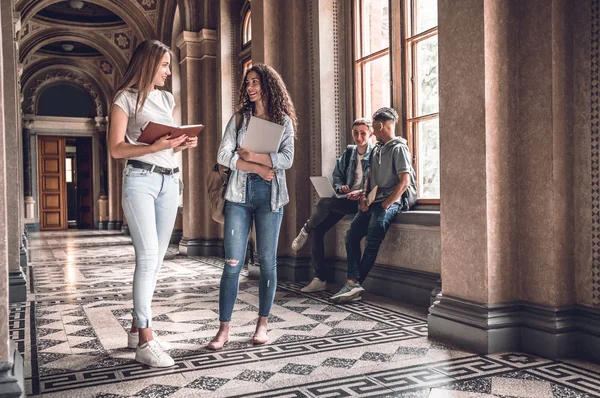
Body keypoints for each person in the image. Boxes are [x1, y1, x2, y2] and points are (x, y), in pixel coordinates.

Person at [108, 40, 197, 367]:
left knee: (157, 260)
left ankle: (135, 326)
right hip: (140, 181)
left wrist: (179, 144)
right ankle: (145, 339)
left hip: (170, 181)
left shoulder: (167, 98)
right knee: (146, 257)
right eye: (164, 65)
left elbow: (163, 146)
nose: (168, 72)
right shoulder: (124, 99)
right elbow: (117, 149)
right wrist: (157, 145)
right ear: (148, 65)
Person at [208, 64, 297, 350]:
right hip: (238, 197)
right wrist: (253, 166)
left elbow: (287, 159)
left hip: (271, 198)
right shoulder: (239, 119)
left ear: (269, 85)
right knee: (232, 264)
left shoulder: (283, 121)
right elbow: (224, 154)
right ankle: (223, 330)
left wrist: (253, 154)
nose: (250, 87)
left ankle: (262, 324)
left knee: (267, 263)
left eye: (256, 82)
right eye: (247, 83)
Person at [330, 107, 417, 304]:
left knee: (373, 235)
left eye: (372, 128)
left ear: (379, 126)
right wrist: (363, 197)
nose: (370, 133)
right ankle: (353, 283)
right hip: (372, 200)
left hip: (390, 202)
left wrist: (386, 205)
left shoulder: (399, 148)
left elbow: (404, 183)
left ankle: (352, 282)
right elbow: (369, 177)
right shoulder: (377, 148)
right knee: (351, 236)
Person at [292, 119, 374, 293]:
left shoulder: (376, 154)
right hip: (346, 199)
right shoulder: (349, 153)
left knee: (325, 204)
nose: (358, 137)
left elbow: (377, 183)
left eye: (363, 133)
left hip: (363, 202)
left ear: (371, 134)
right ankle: (320, 278)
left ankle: (305, 229)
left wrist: (360, 193)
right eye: (355, 133)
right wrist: (340, 187)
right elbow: (337, 175)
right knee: (318, 229)